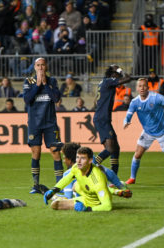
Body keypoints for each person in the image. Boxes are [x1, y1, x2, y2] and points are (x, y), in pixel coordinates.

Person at [23, 57, 63, 194]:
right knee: (36, 152)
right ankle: (35, 185)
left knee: (55, 152)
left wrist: (45, 85)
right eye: (38, 65)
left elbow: (56, 98)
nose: (40, 68)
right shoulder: (28, 82)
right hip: (35, 123)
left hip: (50, 124)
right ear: (34, 67)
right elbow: (27, 100)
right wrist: (38, 85)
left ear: (46, 67)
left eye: (42, 65)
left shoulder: (52, 81)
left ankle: (59, 185)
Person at [43, 147, 112, 211]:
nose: (78, 161)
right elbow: (67, 179)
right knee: (54, 205)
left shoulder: (97, 180)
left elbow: (107, 206)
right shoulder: (76, 167)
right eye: (77, 157)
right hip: (84, 198)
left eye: (83, 158)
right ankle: (76, 203)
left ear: (90, 160)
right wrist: (54, 190)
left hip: (96, 203)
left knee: (76, 186)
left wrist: (87, 209)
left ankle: (113, 191)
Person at [57, 143, 131, 200]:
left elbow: (68, 198)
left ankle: (115, 190)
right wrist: (119, 184)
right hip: (103, 195)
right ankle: (117, 189)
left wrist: (53, 196)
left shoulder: (67, 173)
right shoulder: (92, 163)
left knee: (76, 187)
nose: (63, 160)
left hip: (87, 200)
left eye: (64, 157)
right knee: (100, 170)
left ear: (69, 159)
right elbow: (109, 172)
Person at [93, 65, 131, 175]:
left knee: (115, 148)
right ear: (113, 74)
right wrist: (120, 70)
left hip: (102, 118)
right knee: (110, 148)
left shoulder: (104, 82)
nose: (119, 78)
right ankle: (90, 166)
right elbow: (128, 78)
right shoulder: (109, 81)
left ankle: (114, 177)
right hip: (102, 119)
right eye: (117, 75)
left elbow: (95, 102)